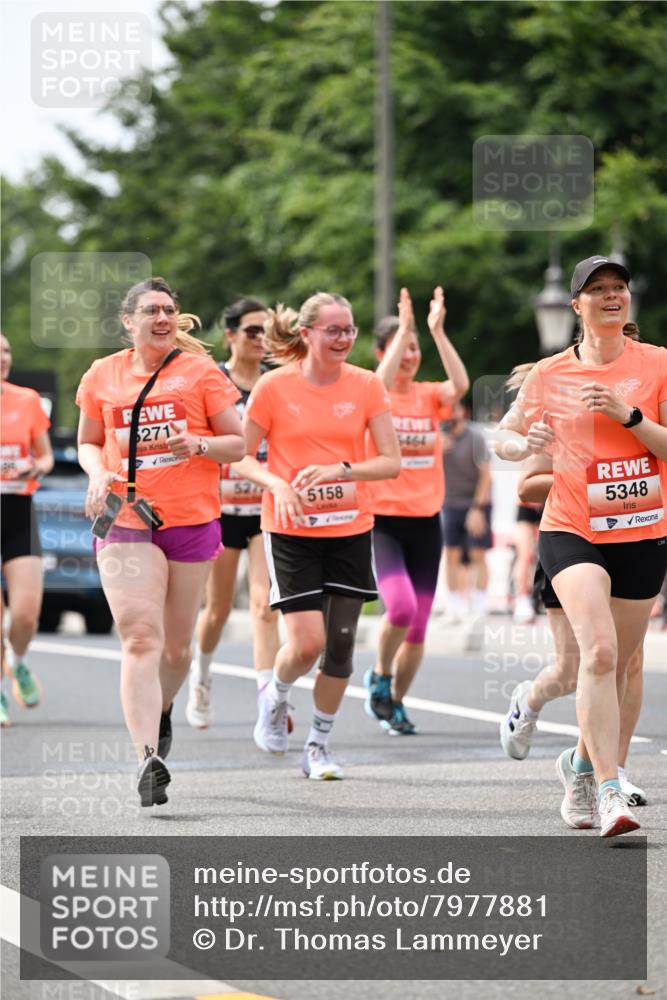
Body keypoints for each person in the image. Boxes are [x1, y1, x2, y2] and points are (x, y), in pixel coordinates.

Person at [502, 254, 667, 837]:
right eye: (597, 290)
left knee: (624, 663)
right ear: (577, 306)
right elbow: (505, 438)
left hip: (641, 530)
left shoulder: (658, 364)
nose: (610, 296)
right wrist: (524, 446)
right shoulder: (550, 374)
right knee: (595, 654)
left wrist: (632, 417)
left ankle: (581, 768)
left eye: (619, 287)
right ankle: (609, 790)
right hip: (570, 529)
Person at [76, 277, 244, 806]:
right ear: (129, 321)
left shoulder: (200, 374)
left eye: (170, 309)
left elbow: (236, 444)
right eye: (151, 310)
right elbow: (88, 441)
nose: (163, 317)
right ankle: (148, 758)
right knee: (141, 639)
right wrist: (96, 473)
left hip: (191, 520)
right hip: (125, 519)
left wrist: (196, 442)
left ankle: (162, 709)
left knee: (176, 648)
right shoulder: (102, 374)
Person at [239, 291, 400, 779]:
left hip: (350, 526)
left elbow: (390, 462)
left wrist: (342, 470)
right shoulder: (272, 387)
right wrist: (278, 484)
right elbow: (242, 456)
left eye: (349, 329)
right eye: (333, 330)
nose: (344, 338)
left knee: (342, 645)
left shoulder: (367, 385)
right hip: (290, 529)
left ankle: (318, 746)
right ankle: (276, 695)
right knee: (306, 645)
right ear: (306, 334)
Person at [500, 447, 649, 808]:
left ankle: (614, 769)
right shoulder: (562, 401)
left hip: (630, 541)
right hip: (570, 542)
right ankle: (528, 702)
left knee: (626, 661)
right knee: (570, 671)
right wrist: (591, 481)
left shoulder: (643, 406)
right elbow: (528, 486)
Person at [364, 287, 470, 734]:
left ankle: (397, 702)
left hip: (427, 519)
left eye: (414, 349)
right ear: (382, 352)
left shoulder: (429, 395)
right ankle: (379, 675)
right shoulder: (373, 394)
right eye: (402, 348)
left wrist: (436, 332)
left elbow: (461, 385)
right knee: (401, 608)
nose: (410, 355)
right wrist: (404, 326)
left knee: (419, 628)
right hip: (383, 521)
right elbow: (379, 384)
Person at [186, 297, 280, 730]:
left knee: (264, 605)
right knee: (219, 609)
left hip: (264, 508)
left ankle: (268, 701)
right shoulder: (212, 382)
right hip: (220, 509)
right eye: (251, 331)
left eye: (267, 331)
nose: (260, 339)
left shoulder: (276, 383)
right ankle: (201, 675)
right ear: (230, 336)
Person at [0, 333, 54, 726]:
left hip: (19, 508)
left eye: (6, 350)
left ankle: (16, 662)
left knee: (26, 614)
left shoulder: (27, 399)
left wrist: (35, 467)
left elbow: (47, 455)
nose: (3, 357)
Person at [440, 401, 493, 622]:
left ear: (463, 413)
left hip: (476, 502)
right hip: (450, 503)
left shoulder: (476, 438)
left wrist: (477, 509)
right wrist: (436, 451)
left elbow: (486, 475)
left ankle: (479, 605)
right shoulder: (438, 439)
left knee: (477, 554)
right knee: (451, 554)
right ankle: (453, 607)